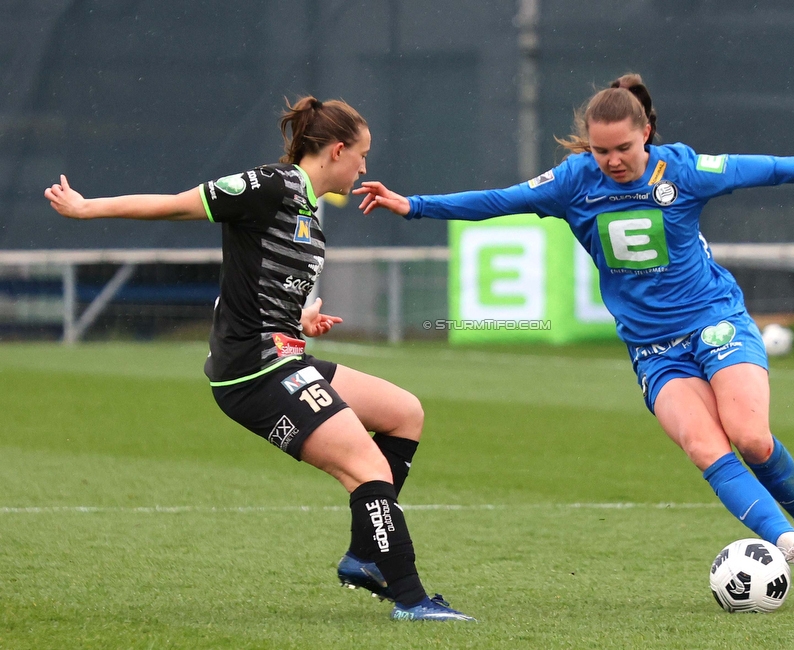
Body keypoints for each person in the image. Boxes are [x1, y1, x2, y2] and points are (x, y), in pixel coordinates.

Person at [355, 74, 794, 601]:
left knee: (751, 438)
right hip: (654, 350)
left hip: (715, 322)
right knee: (707, 448)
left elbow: (775, 167)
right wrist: (415, 207)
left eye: (622, 149)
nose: (611, 161)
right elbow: (500, 200)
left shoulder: (684, 170)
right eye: (600, 151)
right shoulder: (572, 181)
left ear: (645, 133)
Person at [43, 96, 474, 622]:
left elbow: (260, 293)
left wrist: (302, 322)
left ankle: (366, 556)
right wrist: (88, 208)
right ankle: (409, 598)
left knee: (404, 411)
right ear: (337, 150)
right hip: (254, 370)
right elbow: (181, 203)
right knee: (366, 468)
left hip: (285, 355)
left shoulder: (309, 213)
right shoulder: (271, 185)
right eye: (362, 154)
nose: (364, 166)